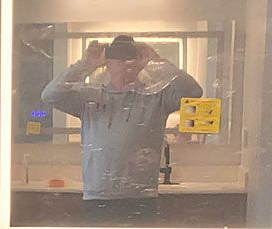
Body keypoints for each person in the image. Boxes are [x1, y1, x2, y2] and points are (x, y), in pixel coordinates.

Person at [40, 35, 204, 206]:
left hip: (142, 198)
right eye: (117, 57)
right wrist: (86, 64)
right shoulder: (90, 97)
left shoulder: (156, 97)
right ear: (107, 63)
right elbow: (50, 95)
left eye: (130, 56)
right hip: (96, 197)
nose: (125, 62)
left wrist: (156, 62)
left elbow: (193, 92)